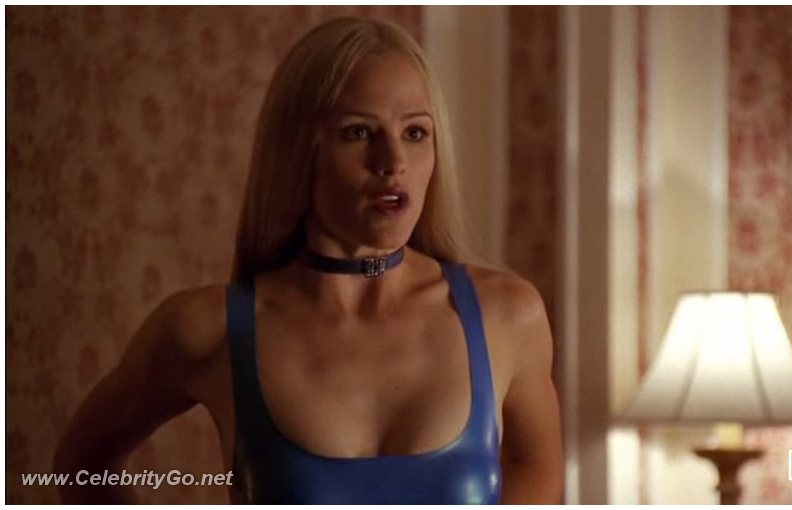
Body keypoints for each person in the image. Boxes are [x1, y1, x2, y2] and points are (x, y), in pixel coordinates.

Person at [53, 16, 563, 504]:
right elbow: (81, 464)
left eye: (414, 133)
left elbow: (537, 462)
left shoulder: (507, 315)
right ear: (298, 150)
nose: (393, 163)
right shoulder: (207, 330)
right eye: (358, 132)